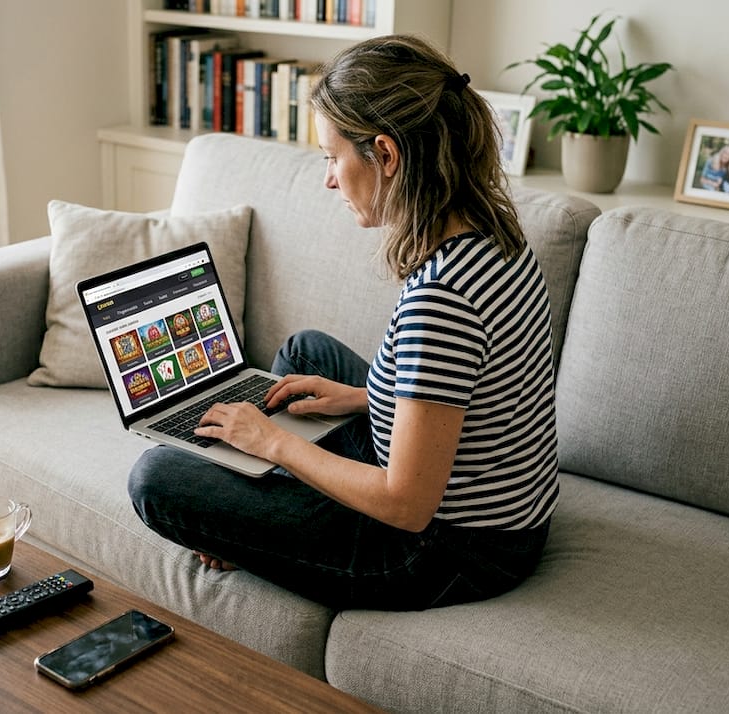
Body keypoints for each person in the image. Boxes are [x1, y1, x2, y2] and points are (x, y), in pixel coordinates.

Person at [127, 35, 558, 612]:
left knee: (156, 479)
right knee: (304, 356)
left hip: (446, 550)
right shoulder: (491, 232)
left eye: (333, 157)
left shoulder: (444, 297)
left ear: (385, 154)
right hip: (500, 509)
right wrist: (361, 397)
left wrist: (272, 442)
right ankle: (261, 503)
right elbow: (468, 391)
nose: (329, 179)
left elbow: (407, 504)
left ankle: (253, 519)